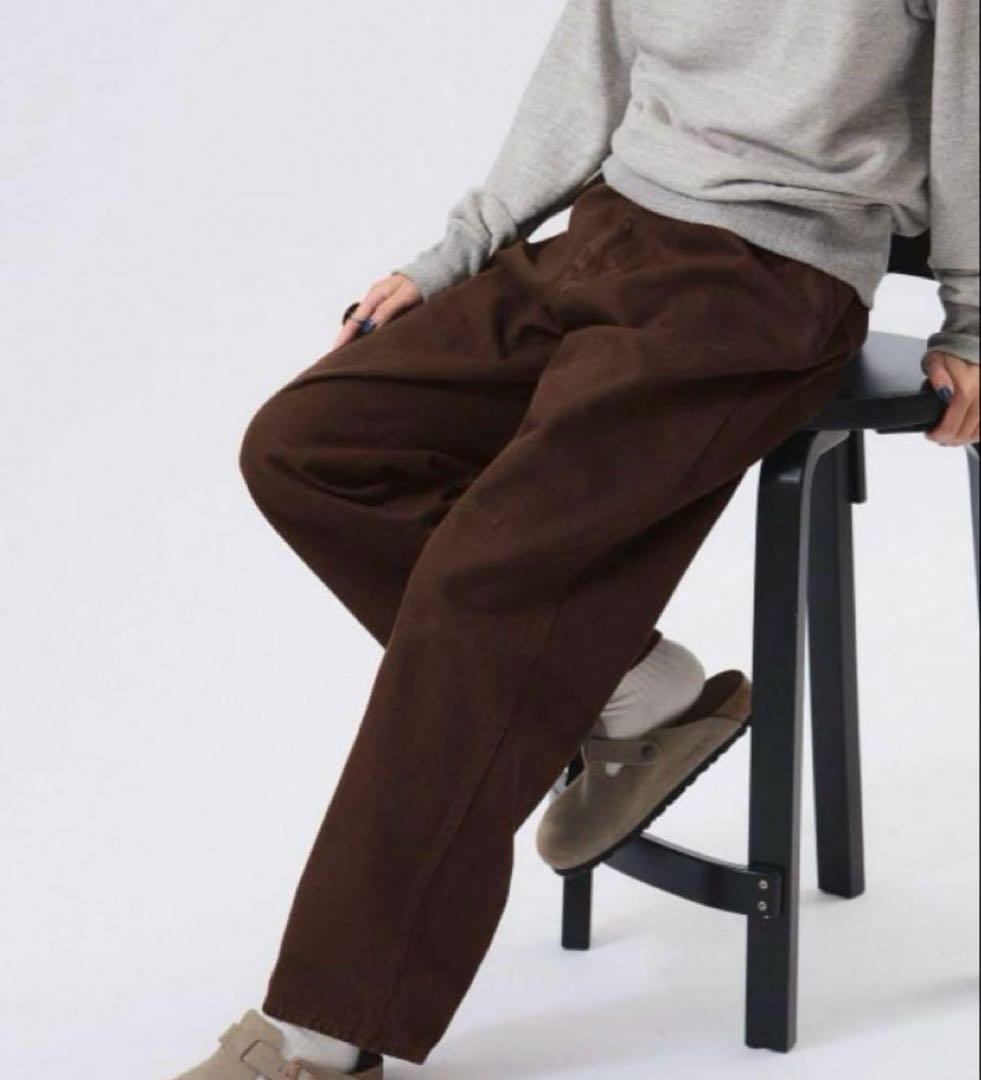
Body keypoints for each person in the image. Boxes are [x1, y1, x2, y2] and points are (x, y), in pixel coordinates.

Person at [173, 2, 979, 1077]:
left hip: (770, 280)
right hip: (610, 230)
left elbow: (971, 104)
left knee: (483, 582)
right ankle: (632, 687)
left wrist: (973, 318)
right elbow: (587, 67)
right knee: (306, 445)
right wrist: (460, 250)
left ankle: (323, 1031)